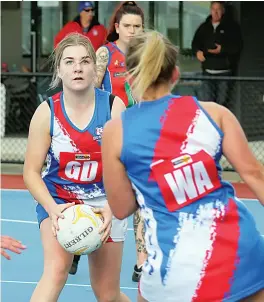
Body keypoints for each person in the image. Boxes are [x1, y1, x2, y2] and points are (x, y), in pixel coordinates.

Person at [101, 30, 264, 302]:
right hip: (238, 257)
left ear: (129, 78)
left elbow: (121, 207)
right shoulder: (215, 114)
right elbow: (255, 176)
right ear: (175, 74)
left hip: (173, 272)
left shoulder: (116, 132)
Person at [23, 33, 130, 302]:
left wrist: (113, 207)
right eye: (69, 62)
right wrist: (52, 208)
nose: (78, 68)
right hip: (60, 200)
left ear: (95, 68)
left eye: (84, 61)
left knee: (107, 294)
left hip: (106, 200)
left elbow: (130, 166)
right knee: (56, 272)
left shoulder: (114, 107)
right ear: (59, 69)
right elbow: (31, 172)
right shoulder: (46, 113)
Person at [89, 0, 146, 282]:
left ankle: (140, 261)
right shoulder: (105, 53)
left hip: (138, 133)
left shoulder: (147, 55)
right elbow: (92, 88)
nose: (133, 31)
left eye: (137, 26)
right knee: (94, 189)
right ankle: (80, 242)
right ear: (117, 27)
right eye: (128, 26)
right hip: (109, 132)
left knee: (139, 192)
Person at [192, 1, 243, 106]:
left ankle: (220, 123)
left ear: (223, 11)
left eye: (218, 9)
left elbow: (237, 46)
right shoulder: (204, 27)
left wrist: (222, 49)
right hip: (207, 72)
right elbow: (195, 43)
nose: (216, 13)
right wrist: (197, 52)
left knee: (222, 103)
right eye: (213, 10)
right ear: (210, 11)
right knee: (208, 104)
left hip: (224, 72)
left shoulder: (232, 27)